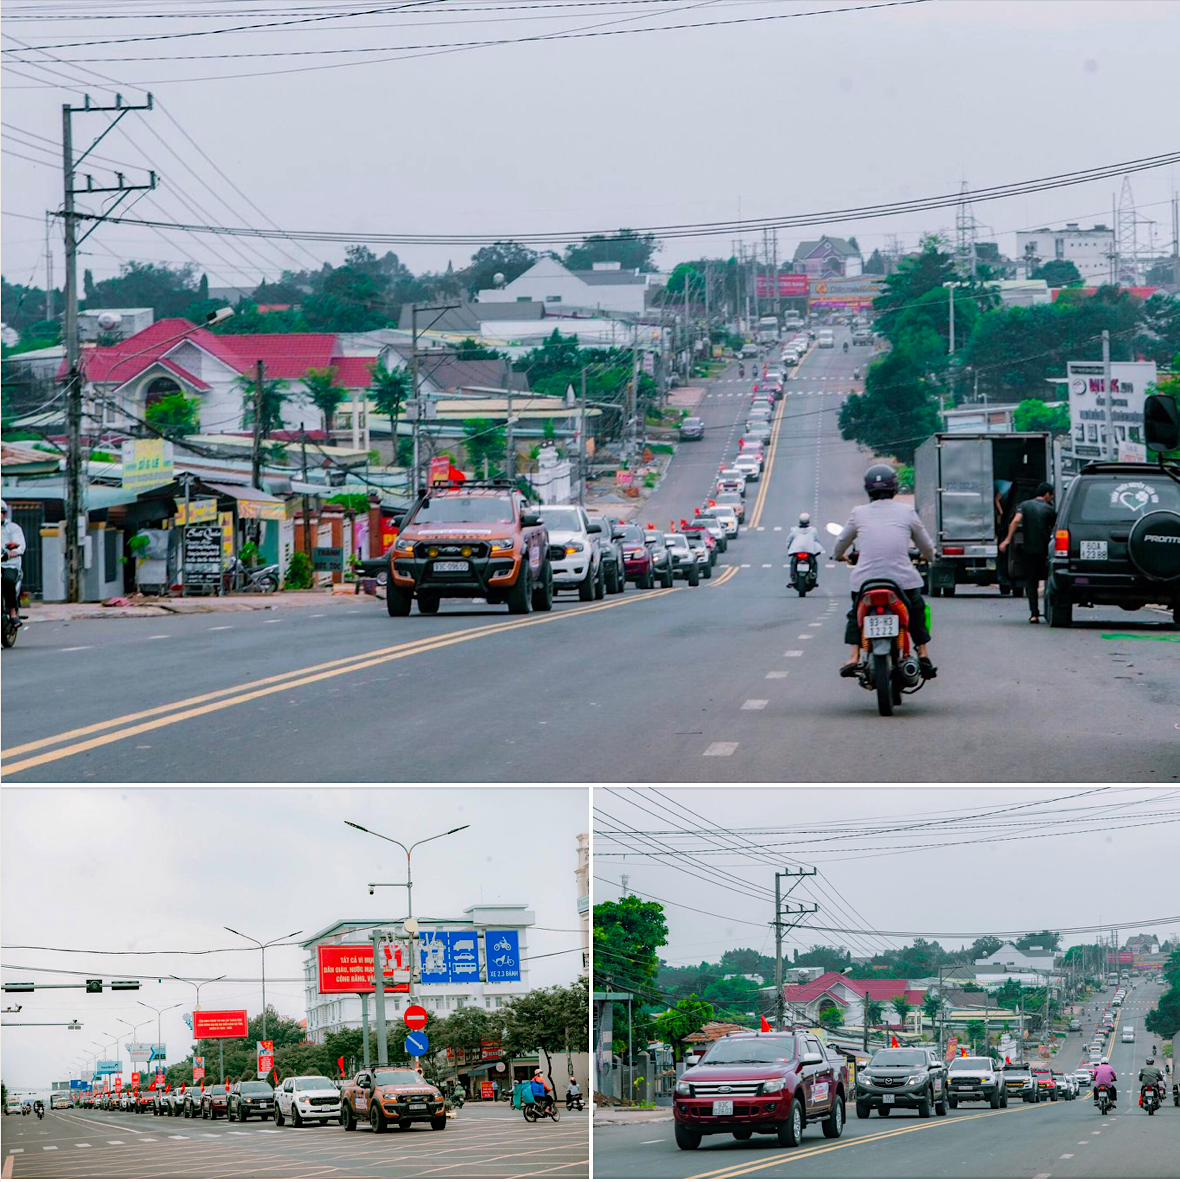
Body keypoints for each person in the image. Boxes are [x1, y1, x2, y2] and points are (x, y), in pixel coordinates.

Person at [833, 464, 937, 680]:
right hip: (903, 582)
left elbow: (841, 542)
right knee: (917, 610)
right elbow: (926, 546)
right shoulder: (907, 512)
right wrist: (930, 556)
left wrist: (838, 556)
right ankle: (924, 653)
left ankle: (853, 656)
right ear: (895, 488)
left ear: (868, 490)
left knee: (855, 615)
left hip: (865, 582)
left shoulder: (858, 513)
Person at [999, 482, 1056, 622]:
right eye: (1051, 495)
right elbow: (1055, 529)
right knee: (1049, 580)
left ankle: (1034, 614)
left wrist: (1007, 539)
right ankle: (1049, 612)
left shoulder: (1024, 505)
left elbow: (1015, 521)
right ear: (1047, 494)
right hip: (1045, 551)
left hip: (1029, 550)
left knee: (1031, 582)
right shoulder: (1050, 509)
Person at [1, 499, 26, 626]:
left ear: (4, 514)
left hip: (9, 564)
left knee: (7, 580)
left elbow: (20, 546)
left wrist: (12, 552)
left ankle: (12, 613)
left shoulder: (13, 528)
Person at [785, 512, 825, 585]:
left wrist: (788, 547)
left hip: (797, 551)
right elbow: (816, 540)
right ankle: (813, 574)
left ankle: (793, 576)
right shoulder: (813, 530)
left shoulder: (794, 530)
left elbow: (788, 540)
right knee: (814, 562)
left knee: (793, 562)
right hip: (809, 551)